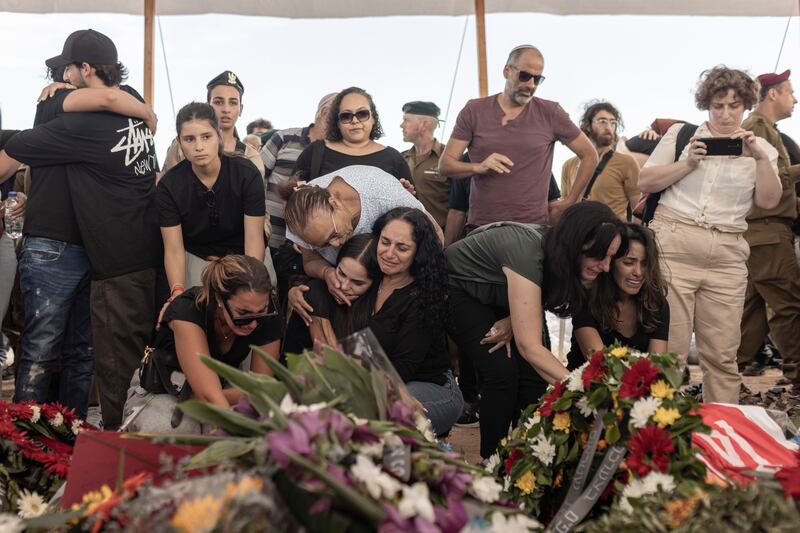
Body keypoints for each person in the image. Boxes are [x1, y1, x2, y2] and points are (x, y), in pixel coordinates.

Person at [0, 29, 160, 425]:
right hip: (97, 250)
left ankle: (46, 437)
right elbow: (111, 97)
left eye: (68, 68)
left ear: (84, 68)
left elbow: (13, 153)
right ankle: (39, 437)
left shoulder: (60, 104)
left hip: (76, 247)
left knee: (57, 350)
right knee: (72, 351)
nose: (64, 77)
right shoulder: (132, 105)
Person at [639, 66, 782, 404]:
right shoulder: (680, 134)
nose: (726, 113)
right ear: (706, 105)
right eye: (718, 105)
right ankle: (660, 434)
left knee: (722, 357)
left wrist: (760, 158)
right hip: (674, 242)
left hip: (727, 254)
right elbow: (644, 182)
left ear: (746, 105)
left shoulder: (761, 148)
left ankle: (721, 438)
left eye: (734, 105)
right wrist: (687, 163)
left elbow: (769, 201)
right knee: (668, 353)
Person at [446, 201, 622, 458]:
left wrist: (512, 320)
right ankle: (492, 461)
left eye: (611, 257)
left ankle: (526, 457)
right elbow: (530, 347)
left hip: (500, 295)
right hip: (454, 288)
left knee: (533, 380)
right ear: (576, 244)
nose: (606, 266)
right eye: (599, 256)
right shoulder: (528, 250)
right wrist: (588, 394)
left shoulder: (561, 256)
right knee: (502, 370)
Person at [290, 209, 463, 436]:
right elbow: (324, 286)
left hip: (429, 387)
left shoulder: (422, 298)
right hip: (377, 381)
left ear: (418, 253)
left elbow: (401, 368)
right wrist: (296, 291)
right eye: (385, 242)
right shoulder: (372, 274)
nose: (389, 253)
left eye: (401, 248)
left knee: (378, 415)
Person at [438, 44, 597, 225]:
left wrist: (570, 201)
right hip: (482, 227)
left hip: (531, 229)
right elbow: (445, 165)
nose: (530, 85)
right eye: (525, 76)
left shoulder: (551, 112)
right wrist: (478, 167)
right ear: (507, 71)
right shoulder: (474, 110)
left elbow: (590, 155)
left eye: (537, 79)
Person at [122, 255, 281, 433]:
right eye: (243, 314)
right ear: (219, 299)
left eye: (261, 313)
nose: (253, 323)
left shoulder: (266, 311)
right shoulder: (188, 309)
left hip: (217, 388)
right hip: (164, 386)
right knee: (172, 429)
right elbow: (210, 395)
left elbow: (260, 389)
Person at [157, 102, 266, 311]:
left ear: (218, 136)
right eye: (189, 139)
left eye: (206, 137)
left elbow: (254, 238)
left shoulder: (246, 174)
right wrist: (177, 293)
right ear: (179, 141)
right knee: (190, 307)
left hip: (243, 253)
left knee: (256, 299)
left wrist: (249, 283)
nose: (198, 146)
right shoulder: (169, 186)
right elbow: (173, 249)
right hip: (196, 254)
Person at [282, 165, 434, 305]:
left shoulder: (385, 194)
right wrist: (327, 273)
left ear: (335, 203)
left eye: (334, 234)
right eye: (322, 245)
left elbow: (434, 237)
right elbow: (309, 261)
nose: (336, 245)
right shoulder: (297, 218)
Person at [736, 70, 800, 393]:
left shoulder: (762, 129)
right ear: (772, 94)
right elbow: (768, 176)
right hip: (768, 231)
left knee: (753, 311)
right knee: (788, 304)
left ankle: (727, 370)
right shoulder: (757, 129)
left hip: (761, 232)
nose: (795, 99)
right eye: (790, 91)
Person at [567, 224, 669, 369]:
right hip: (585, 388)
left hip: (639, 388)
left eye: (645, 264)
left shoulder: (656, 304)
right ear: (609, 263)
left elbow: (656, 368)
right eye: (629, 262)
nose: (639, 272)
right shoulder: (586, 299)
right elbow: (601, 365)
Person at [293, 87, 411, 182]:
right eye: (346, 116)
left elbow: (412, 207)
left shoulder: (394, 158)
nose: (355, 121)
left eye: (362, 114)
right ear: (337, 123)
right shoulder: (315, 152)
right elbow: (291, 199)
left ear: (373, 118)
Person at [162, 71, 265, 178]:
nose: (226, 109)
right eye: (218, 102)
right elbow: (168, 185)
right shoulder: (181, 147)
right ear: (208, 106)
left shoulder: (250, 156)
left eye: (233, 103)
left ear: (241, 109)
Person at [561, 101, 640, 221]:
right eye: (602, 121)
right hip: (579, 235)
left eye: (613, 122)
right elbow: (564, 208)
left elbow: (638, 210)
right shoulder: (569, 165)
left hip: (613, 235)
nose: (609, 127)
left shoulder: (627, 162)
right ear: (588, 125)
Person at [400, 101, 450, 228]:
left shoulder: (450, 158)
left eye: (406, 120)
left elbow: (460, 206)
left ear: (424, 124)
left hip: (440, 237)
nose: (401, 125)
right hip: (407, 236)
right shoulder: (400, 159)